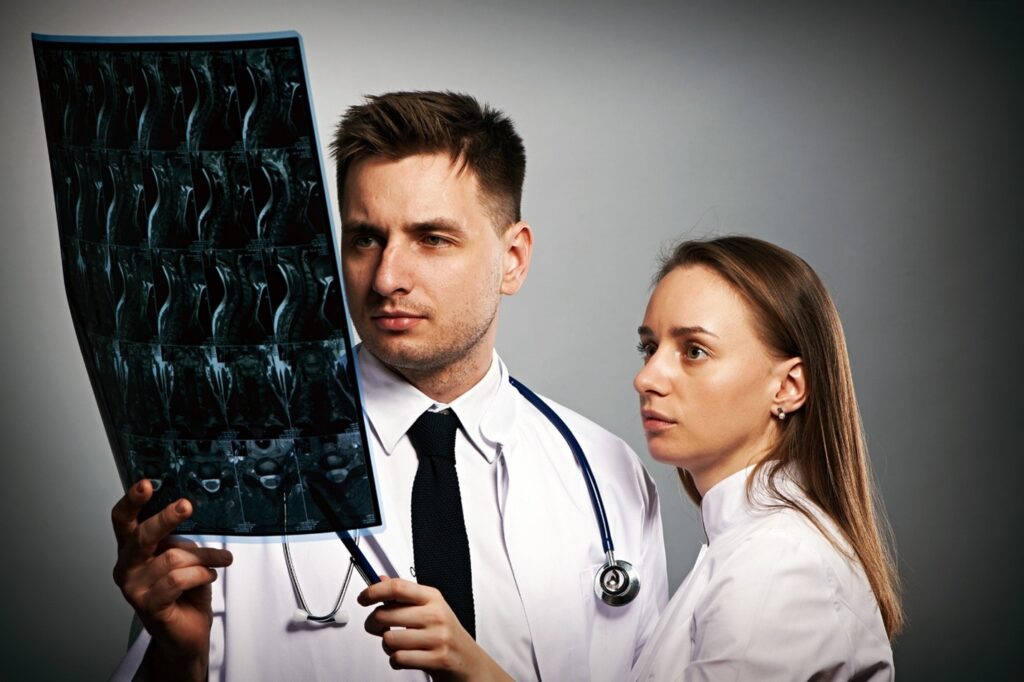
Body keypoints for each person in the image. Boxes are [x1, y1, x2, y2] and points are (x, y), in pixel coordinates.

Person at [110, 91, 667, 681]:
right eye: (365, 239)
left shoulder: (608, 477)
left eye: (432, 239)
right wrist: (178, 658)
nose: (386, 278)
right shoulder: (232, 467)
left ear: (513, 258)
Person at [629, 236, 903, 680]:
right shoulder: (749, 546)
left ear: (789, 387)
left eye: (694, 351)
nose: (646, 378)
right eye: (649, 348)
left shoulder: (776, 562)